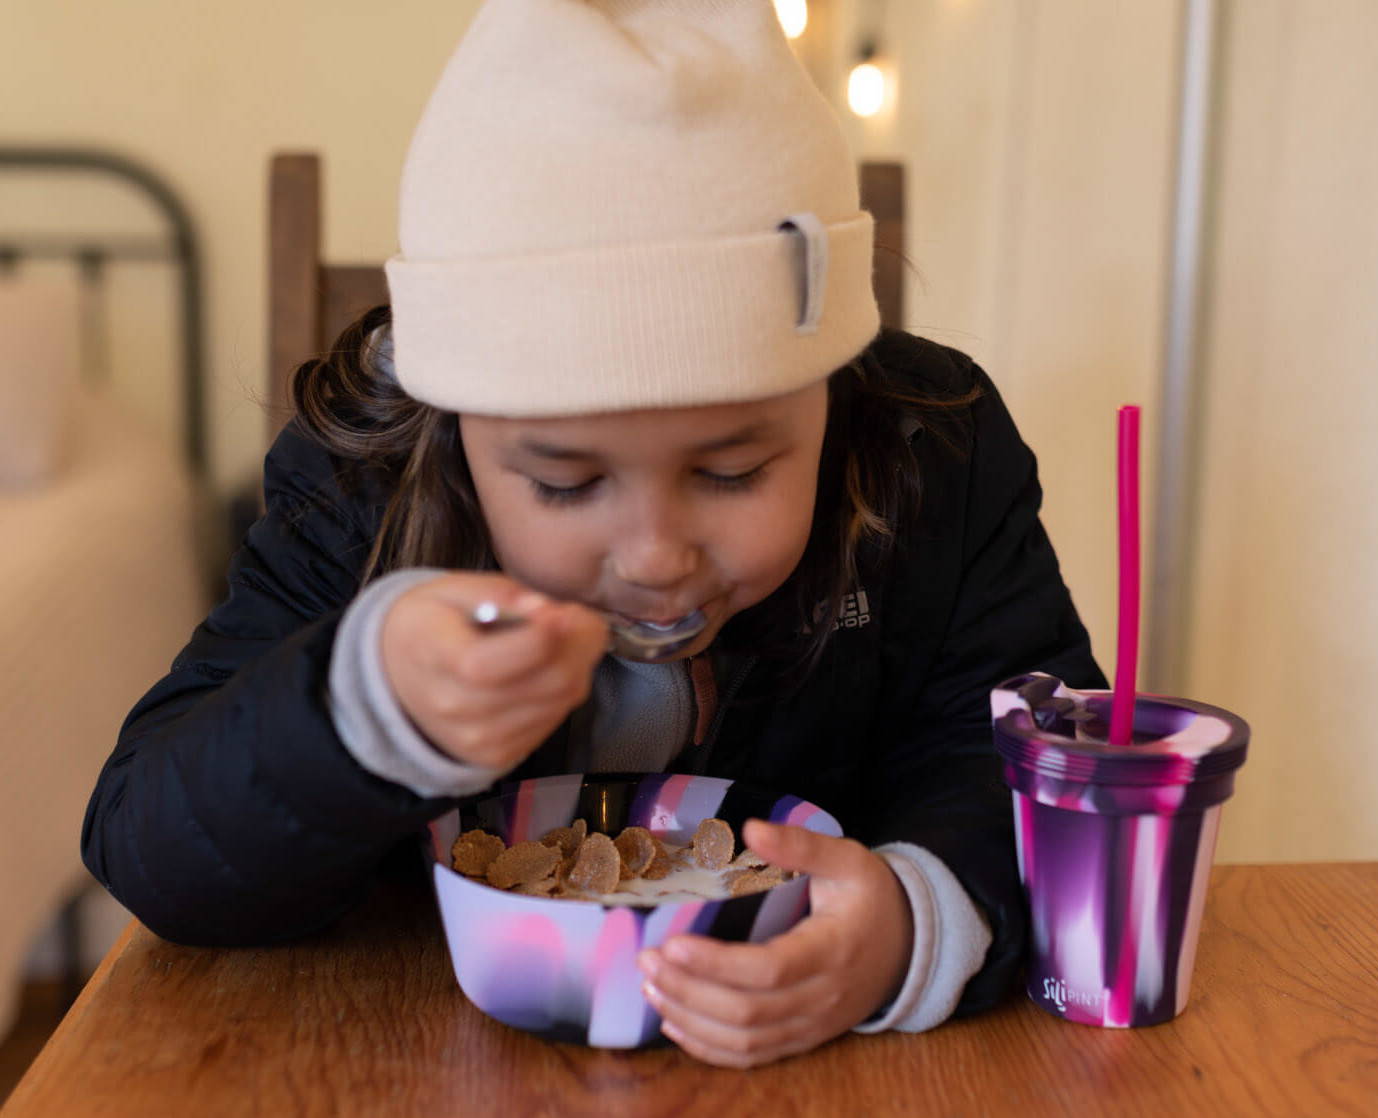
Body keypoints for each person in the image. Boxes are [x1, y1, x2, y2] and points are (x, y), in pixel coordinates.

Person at [82, 0, 1104, 1067]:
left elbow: (1046, 780)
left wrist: (908, 927)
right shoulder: (364, 484)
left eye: (732, 469)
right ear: (455, 428)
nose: (656, 552)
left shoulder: (929, 450)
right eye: (565, 482)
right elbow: (152, 851)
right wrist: (360, 711)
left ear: (833, 397)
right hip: (427, 1056)